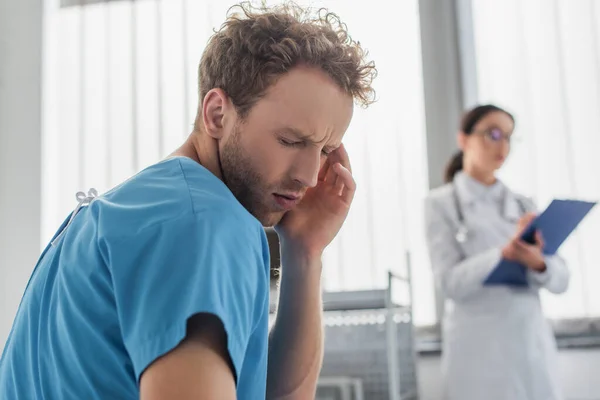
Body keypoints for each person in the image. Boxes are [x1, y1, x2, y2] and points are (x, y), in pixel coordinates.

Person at [0, 3, 376, 399]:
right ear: (217, 113)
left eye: (324, 149)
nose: (310, 175)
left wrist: (304, 251)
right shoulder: (203, 222)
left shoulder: (122, 214)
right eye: (290, 141)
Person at [424, 104, 570, 400]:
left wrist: (539, 264)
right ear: (463, 139)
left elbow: (562, 280)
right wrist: (503, 254)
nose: (502, 144)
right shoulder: (441, 204)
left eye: (508, 136)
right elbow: (450, 284)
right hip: (478, 352)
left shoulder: (524, 205)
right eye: (493, 133)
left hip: (530, 346)